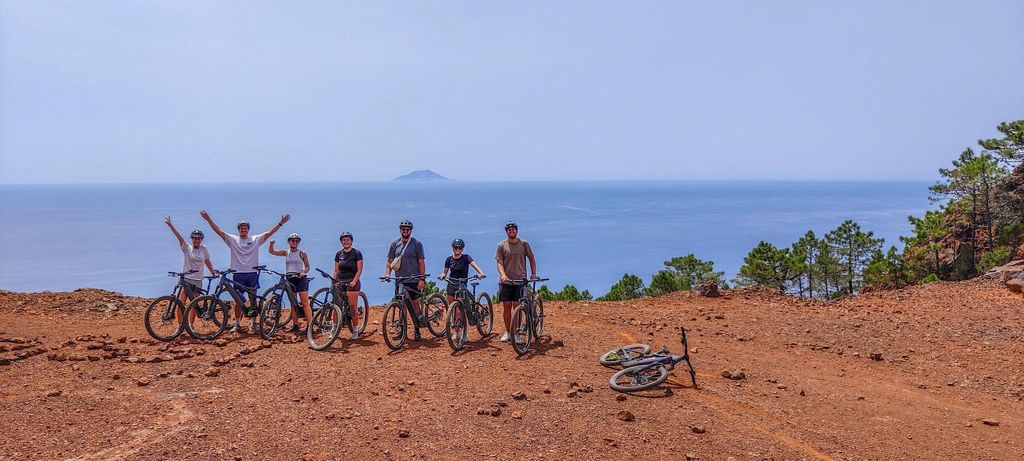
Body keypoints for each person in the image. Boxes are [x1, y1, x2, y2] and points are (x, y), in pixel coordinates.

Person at [200, 210, 290, 333]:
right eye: (241, 228)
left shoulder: (255, 239)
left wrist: (280, 223)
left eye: (245, 228)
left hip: (252, 273)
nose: (243, 230)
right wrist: (208, 220)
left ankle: (254, 323)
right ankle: (237, 324)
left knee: (253, 298)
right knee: (237, 300)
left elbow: (269, 233)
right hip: (238, 273)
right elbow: (218, 231)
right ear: (239, 230)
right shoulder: (233, 240)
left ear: (248, 229)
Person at [381, 219, 427, 340]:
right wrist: (387, 274)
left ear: (410, 231)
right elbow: (389, 261)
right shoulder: (394, 244)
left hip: (413, 279)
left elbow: (421, 262)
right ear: (400, 230)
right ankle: (403, 331)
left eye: (407, 229)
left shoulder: (417, 244)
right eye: (403, 229)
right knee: (402, 305)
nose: (405, 231)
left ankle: (417, 330)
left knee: (415, 304)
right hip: (400, 280)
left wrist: (421, 279)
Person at [495, 221, 538, 342]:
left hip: (520, 280)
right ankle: (508, 331)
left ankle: (516, 333)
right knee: (507, 307)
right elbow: (499, 262)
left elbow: (531, 258)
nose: (511, 231)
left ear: (516, 231)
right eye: (509, 230)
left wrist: (533, 273)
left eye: (513, 229)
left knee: (516, 306)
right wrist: (503, 275)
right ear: (506, 232)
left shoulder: (524, 244)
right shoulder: (501, 245)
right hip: (507, 281)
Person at [163, 216, 216, 306]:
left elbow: (207, 261)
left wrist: (213, 272)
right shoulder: (187, 248)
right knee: (181, 303)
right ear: (192, 239)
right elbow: (179, 237)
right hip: (187, 279)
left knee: (194, 305)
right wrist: (171, 226)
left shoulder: (204, 249)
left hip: (198, 280)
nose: (196, 240)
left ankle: (193, 317)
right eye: (195, 238)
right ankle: (180, 317)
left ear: (201, 240)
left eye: (198, 238)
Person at [267, 233, 312, 334]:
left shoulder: (302, 253)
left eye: (296, 241)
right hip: (290, 278)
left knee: (305, 302)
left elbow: (308, 266)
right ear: (289, 242)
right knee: (293, 303)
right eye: (293, 241)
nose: (294, 242)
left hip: (300, 278)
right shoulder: (286, 252)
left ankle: (310, 327)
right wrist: (271, 244)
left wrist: (303, 272)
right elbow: (272, 252)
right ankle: (295, 326)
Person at [334, 232, 364, 339]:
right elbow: (336, 270)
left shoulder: (357, 253)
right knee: (336, 305)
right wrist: (334, 281)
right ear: (341, 242)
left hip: (352, 282)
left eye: (348, 240)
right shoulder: (339, 254)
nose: (346, 242)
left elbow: (359, 270)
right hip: (340, 281)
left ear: (351, 241)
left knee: (352, 306)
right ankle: (334, 329)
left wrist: (354, 281)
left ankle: (355, 330)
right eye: (344, 240)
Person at [438, 238, 486, 305]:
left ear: (462, 249)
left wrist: (481, 273)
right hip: (451, 282)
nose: (458, 249)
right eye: (456, 247)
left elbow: (474, 265)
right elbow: (444, 272)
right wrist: (442, 275)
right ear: (453, 248)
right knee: (451, 304)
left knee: (459, 304)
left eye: (460, 248)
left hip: (462, 282)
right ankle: (452, 311)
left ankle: (463, 309)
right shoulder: (449, 259)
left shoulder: (466, 257)